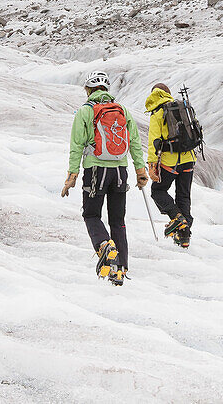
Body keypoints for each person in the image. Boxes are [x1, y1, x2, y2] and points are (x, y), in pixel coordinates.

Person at [61, 71, 148, 286]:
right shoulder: (123, 110)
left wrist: (72, 176)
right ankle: (119, 269)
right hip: (120, 171)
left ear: (88, 90)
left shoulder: (85, 111)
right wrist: (140, 170)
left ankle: (104, 246)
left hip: (96, 171)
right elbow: (135, 142)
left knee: (91, 215)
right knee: (118, 221)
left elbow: (77, 146)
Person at [144, 83, 197, 247]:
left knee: (157, 191)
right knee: (183, 196)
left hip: (170, 162)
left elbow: (154, 141)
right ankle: (184, 236)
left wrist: (152, 164)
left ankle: (177, 218)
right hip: (189, 159)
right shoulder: (182, 108)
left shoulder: (158, 112)